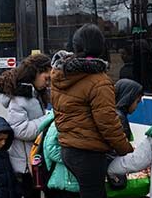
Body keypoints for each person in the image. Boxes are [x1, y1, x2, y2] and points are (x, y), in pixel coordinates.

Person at [50, 24, 133, 198]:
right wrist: (126, 149)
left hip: (68, 149)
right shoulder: (99, 81)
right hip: (88, 154)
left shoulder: (61, 75)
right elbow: (108, 123)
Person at [0, 54, 51, 198]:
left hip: (32, 160)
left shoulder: (35, 94)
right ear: (36, 73)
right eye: (46, 78)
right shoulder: (20, 98)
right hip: (25, 165)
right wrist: (47, 119)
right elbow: (20, 130)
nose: (47, 83)